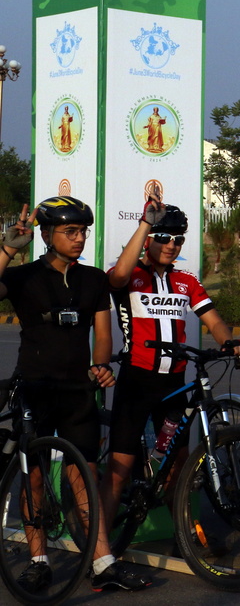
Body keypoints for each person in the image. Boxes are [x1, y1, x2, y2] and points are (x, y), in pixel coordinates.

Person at [0, 198, 151, 592]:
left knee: (84, 473)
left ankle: (102, 562)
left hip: (77, 390)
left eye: (83, 231)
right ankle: (38, 561)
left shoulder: (93, 280)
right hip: (34, 387)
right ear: (47, 235)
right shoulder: (24, 276)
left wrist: (100, 367)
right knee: (33, 478)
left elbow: (103, 335)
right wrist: (8, 249)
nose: (80, 238)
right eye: (71, 232)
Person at [102, 200, 240, 529]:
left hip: (174, 385)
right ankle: (101, 549)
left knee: (179, 464)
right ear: (149, 238)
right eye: (163, 237)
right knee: (120, 468)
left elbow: (213, 321)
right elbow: (119, 275)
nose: (171, 245)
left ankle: (185, 537)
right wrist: (143, 223)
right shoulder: (131, 275)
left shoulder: (186, 281)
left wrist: (230, 341)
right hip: (137, 381)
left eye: (178, 239)